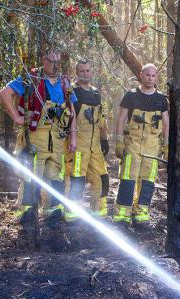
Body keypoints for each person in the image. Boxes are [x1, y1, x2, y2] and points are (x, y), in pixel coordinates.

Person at [0, 46, 78, 228]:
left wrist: (73, 136)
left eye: (59, 62)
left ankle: (52, 212)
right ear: (43, 60)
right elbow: (4, 93)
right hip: (35, 135)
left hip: (58, 137)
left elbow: (71, 111)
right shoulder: (31, 78)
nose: (56, 65)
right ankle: (28, 213)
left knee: (56, 176)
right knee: (32, 174)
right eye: (52, 61)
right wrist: (17, 117)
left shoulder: (65, 83)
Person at [113, 63, 169, 227]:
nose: (150, 78)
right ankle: (122, 215)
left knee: (148, 181)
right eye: (147, 75)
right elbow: (121, 118)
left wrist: (166, 145)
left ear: (156, 77)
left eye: (153, 76)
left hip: (152, 147)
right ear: (141, 75)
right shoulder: (130, 96)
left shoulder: (161, 99)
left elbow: (166, 123)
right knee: (127, 179)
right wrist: (118, 140)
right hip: (133, 144)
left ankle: (141, 215)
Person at [66, 59, 110, 220]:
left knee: (101, 177)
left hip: (95, 146)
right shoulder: (71, 91)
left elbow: (101, 120)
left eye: (88, 70)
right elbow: (69, 119)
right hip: (78, 145)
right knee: (76, 178)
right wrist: (72, 138)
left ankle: (98, 211)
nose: (86, 73)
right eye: (82, 71)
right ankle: (72, 213)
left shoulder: (96, 93)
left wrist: (104, 140)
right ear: (77, 73)